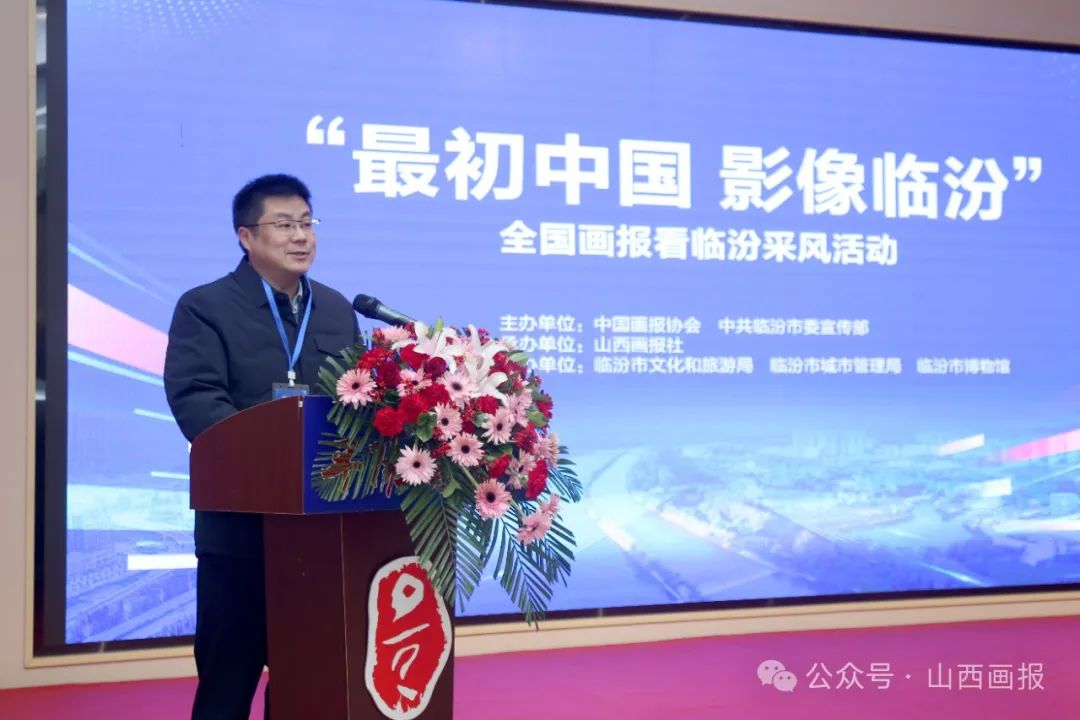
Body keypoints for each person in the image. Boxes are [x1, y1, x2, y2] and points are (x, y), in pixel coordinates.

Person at [164, 174, 359, 719]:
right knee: (228, 681)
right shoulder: (205, 307)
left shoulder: (337, 309)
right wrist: (270, 464)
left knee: (306, 681)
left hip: (320, 535)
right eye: (284, 224)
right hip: (240, 532)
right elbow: (196, 399)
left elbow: (357, 401)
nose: (300, 236)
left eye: (307, 223)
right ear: (246, 236)